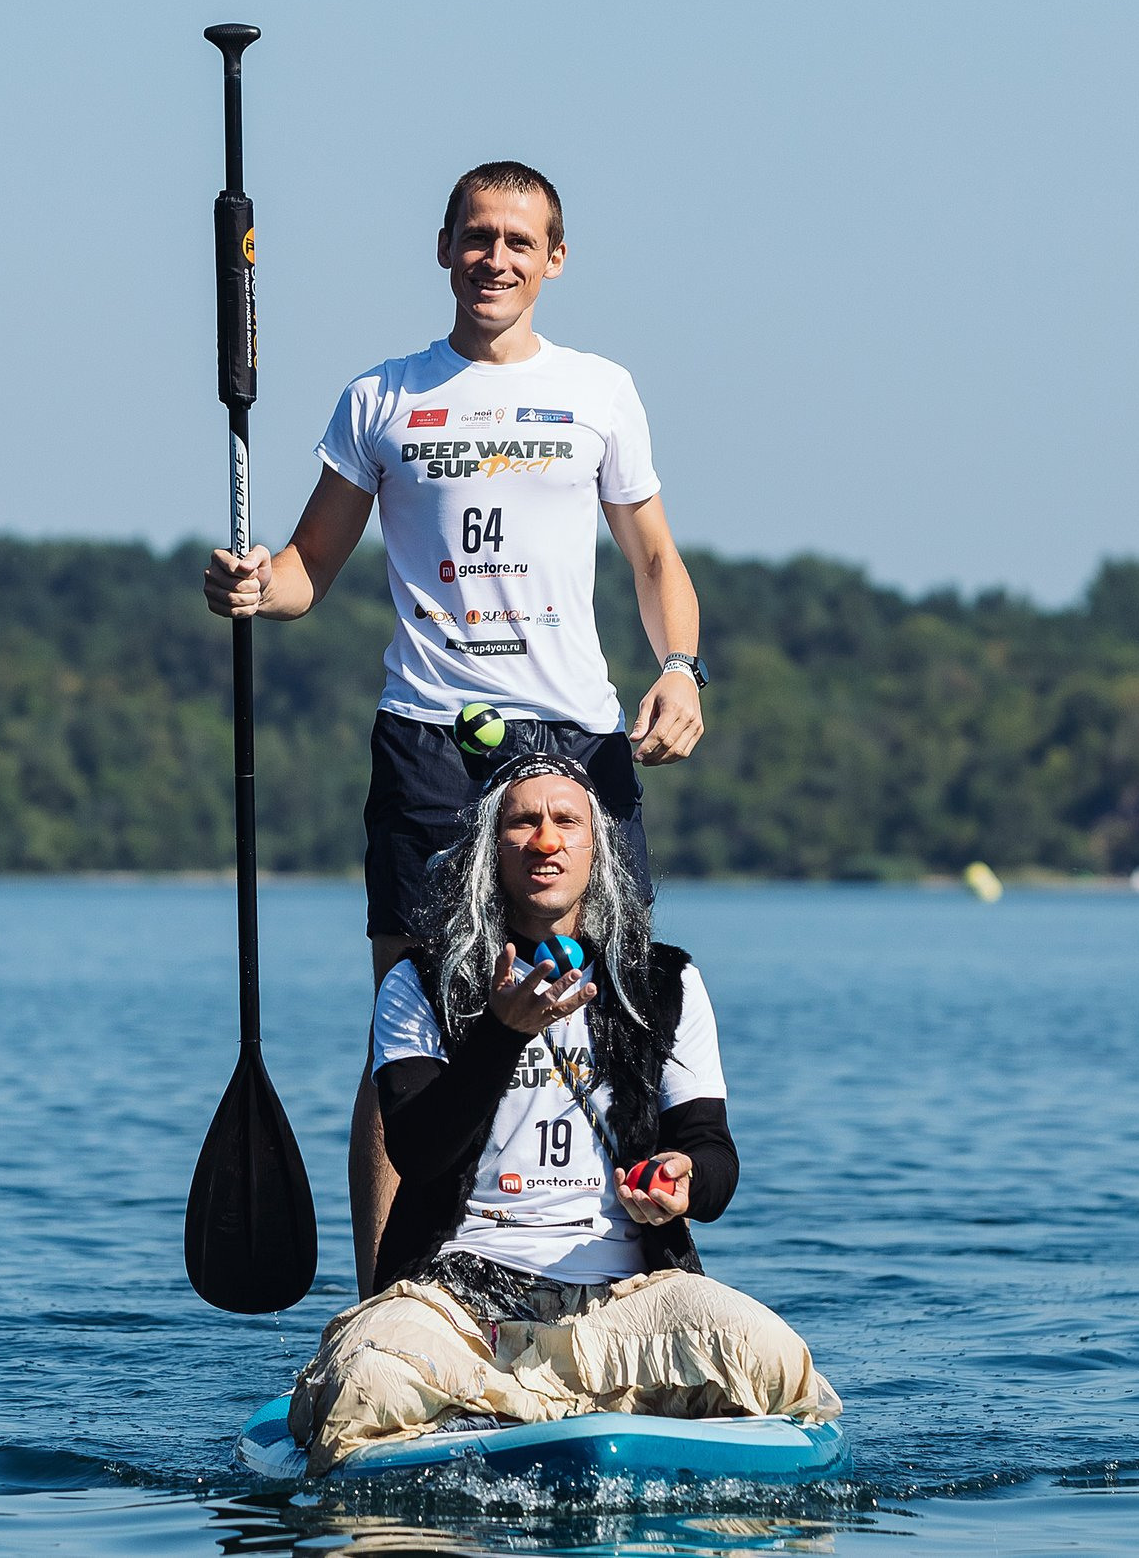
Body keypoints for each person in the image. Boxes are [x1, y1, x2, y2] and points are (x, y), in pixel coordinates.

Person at [203, 161, 709, 1294]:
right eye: (477, 237)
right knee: (411, 1020)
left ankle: (627, 1274)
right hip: (430, 740)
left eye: (519, 242)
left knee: (610, 1004)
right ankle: (387, 1303)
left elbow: (657, 561)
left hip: (574, 738)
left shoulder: (599, 392)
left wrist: (679, 667)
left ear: (555, 260)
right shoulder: (380, 397)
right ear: (443, 247)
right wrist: (253, 584)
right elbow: (306, 569)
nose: (496, 258)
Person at [286, 753, 837, 1475]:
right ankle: (480, 1402)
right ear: (492, 850)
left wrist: (684, 1178)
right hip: (458, 1305)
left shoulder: (664, 981)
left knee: (775, 1363)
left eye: (566, 820)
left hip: (624, 1303)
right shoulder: (421, 983)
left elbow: (714, 1155)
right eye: (524, 821)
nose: (547, 838)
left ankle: (506, 1406)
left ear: (595, 849)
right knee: (363, 1385)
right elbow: (418, 1150)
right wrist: (500, 1033)